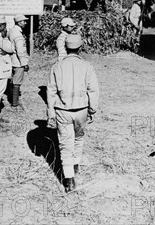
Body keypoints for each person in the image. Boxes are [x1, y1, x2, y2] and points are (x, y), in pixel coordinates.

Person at [47, 34, 99, 193]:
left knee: (65, 144)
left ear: (65, 48)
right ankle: (75, 166)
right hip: (82, 109)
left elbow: (51, 92)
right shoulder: (87, 66)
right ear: (80, 47)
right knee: (79, 138)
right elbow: (93, 90)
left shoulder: (57, 66)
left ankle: (69, 181)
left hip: (62, 111)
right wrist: (92, 109)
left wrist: (51, 113)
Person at [8, 14, 30, 108]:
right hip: (18, 61)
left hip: (12, 60)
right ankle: (15, 103)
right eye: (24, 21)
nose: (25, 23)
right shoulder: (18, 34)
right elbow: (20, 51)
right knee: (17, 82)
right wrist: (24, 63)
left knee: (13, 80)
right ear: (19, 22)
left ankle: (13, 99)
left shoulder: (11, 31)